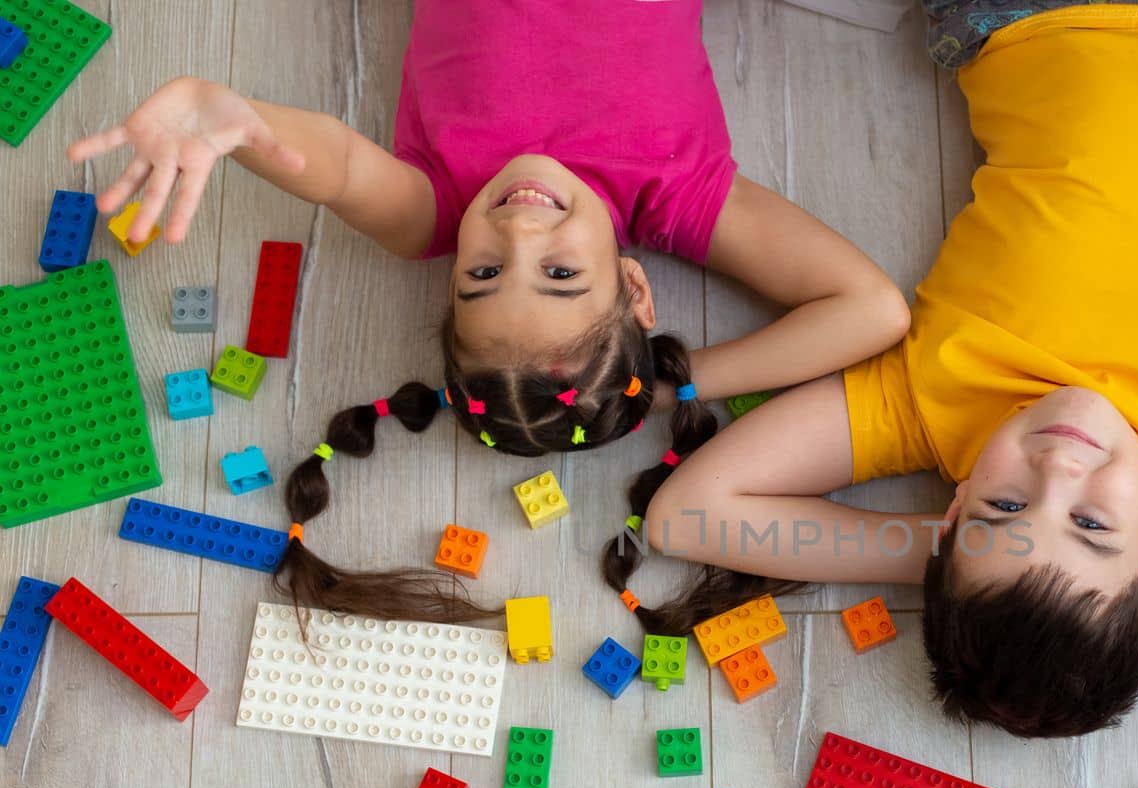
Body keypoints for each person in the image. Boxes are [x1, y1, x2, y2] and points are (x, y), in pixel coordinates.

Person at [612, 2, 1138, 774]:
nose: (1058, 472)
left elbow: (687, 516)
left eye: (1003, 510)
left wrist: (956, 554)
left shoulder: (938, 404)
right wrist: (1125, 623)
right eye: (1094, 524)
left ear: (956, 508)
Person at [68, 0, 908, 620]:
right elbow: (870, 310)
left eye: (480, 273)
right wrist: (663, 384)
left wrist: (240, 123)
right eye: (557, 273)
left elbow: (333, 168)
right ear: (635, 286)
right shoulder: (675, 193)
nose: (516, 224)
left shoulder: (432, 208)